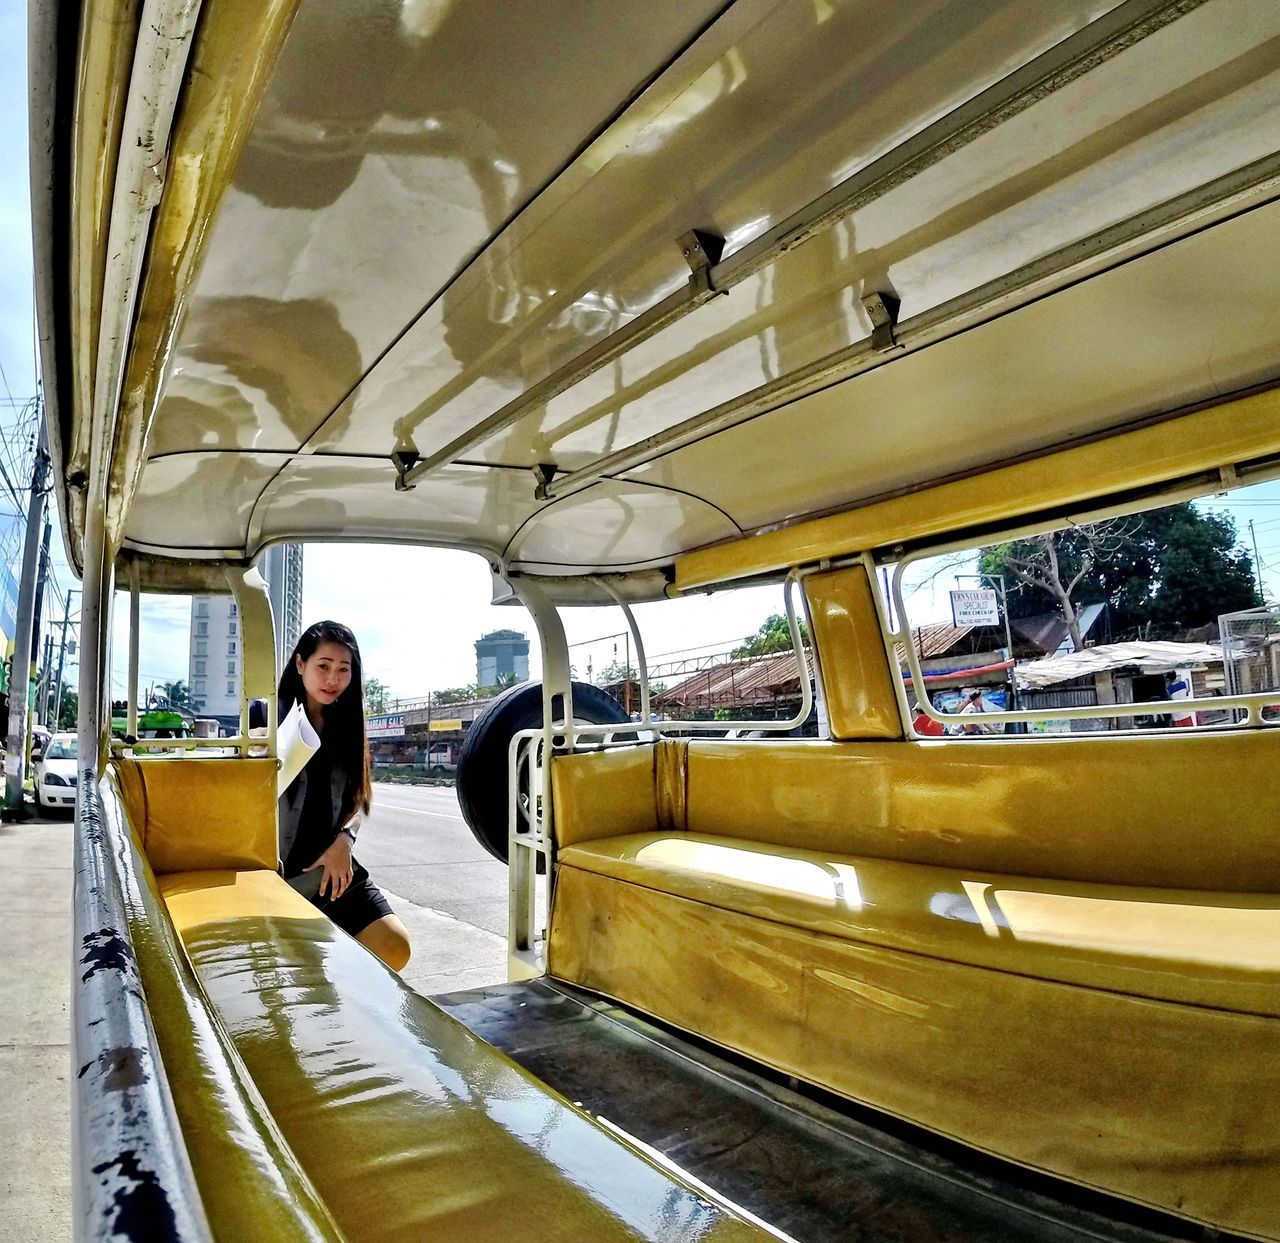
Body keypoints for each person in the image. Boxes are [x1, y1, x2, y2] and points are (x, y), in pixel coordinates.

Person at [277, 620, 411, 970]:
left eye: (343, 670)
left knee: (396, 947)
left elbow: (359, 802)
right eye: (323, 667)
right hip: (281, 875)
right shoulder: (265, 720)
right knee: (305, 973)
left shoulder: (348, 727)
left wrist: (345, 841)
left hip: (334, 870)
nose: (332, 680)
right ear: (301, 664)